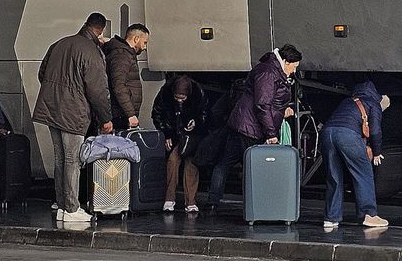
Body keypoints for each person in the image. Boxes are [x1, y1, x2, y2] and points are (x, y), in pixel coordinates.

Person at [33, 13, 114, 224]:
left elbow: (42, 73)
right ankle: (72, 208)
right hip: (73, 111)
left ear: (86, 24)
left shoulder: (59, 43)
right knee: (72, 159)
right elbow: (97, 90)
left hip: (52, 107)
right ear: (101, 30)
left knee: (60, 159)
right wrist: (105, 118)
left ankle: (62, 206)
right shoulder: (91, 51)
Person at [205, 44, 302, 215]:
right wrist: (271, 134)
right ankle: (258, 207)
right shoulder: (269, 73)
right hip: (251, 128)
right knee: (256, 167)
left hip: (242, 124)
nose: (294, 71)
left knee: (225, 162)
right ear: (286, 62)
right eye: (293, 67)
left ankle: (213, 203)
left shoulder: (269, 69)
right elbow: (263, 104)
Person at [320, 80, 391, 229]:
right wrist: (377, 152)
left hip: (327, 133)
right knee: (363, 173)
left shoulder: (347, 101)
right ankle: (369, 214)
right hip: (347, 135)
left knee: (334, 176)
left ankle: (331, 218)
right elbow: (375, 130)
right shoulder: (374, 103)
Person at [152, 74, 205, 213]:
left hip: (191, 137)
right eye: (177, 97)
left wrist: (196, 123)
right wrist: (167, 134)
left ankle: (189, 201)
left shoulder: (198, 94)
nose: (179, 100)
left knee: (190, 164)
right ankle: (172, 198)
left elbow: (204, 115)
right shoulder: (165, 94)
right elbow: (157, 114)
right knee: (173, 162)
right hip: (175, 134)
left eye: (183, 98)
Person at [103, 24, 149, 131]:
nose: (145, 47)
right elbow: (118, 85)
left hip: (121, 112)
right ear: (136, 39)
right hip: (120, 114)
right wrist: (130, 114)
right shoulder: (122, 55)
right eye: (145, 42)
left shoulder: (124, 54)